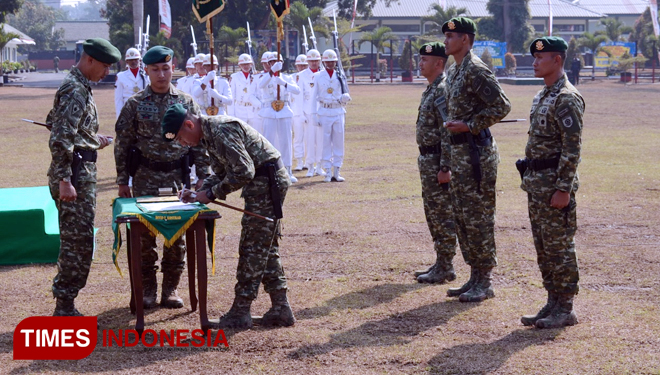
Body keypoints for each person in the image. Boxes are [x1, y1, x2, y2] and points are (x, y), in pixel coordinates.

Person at [161, 103, 295, 329]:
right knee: (265, 247)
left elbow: (244, 170)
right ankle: (280, 307)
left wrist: (212, 193)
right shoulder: (208, 135)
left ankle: (241, 311)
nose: (183, 144)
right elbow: (223, 172)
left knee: (252, 247)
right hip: (261, 182)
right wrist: (198, 193)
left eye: (181, 138)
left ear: (189, 124)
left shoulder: (221, 130)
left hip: (266, 183)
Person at [114, 46, 210, 309]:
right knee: (145, 237)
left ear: (173, 67)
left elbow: (200, 143)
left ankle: (170, 289)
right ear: (146, 71)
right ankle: (147, 290)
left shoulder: (186, 101)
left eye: (165, 68)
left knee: (176, 236)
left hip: (178, 176)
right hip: (145, 176)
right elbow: (123, 144)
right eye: (155, 69)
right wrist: (123, 180)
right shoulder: (135, 104)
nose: (161, 74)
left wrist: (203, 176)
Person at [437, 17, 511, 302]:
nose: (445, 41)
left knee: (478, 217)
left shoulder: (476, 69)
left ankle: (485, 280)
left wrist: (470, 125)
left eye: (450, 37)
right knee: (464, 217)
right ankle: (474, 276)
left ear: (465, 39)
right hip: (459, 154)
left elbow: (502, 105)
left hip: (476, 154)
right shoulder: (456, 69)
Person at [47, 38, 120, 316]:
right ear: (89, 60)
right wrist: (65, 179)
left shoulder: (80, 87)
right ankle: (64, 305)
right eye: (104, 66)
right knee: (76, 243)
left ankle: (66, 303)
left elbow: (58, 123)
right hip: (74, 176)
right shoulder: (74, 90)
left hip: (80, 173)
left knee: (80, 240)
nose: (106, 72)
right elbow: (60, 137)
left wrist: (91, 138)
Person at [520, 37, 584, 328]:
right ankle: (552, 300)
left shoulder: (567, 97)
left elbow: (572, 148)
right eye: (534, 58)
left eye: (540, 58)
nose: (534, 62)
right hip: (537, 184)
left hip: (554, 187)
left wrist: (563, 189)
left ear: (556, 60)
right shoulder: (543, 94)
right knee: (544, 247)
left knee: (559, 247)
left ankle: (566, 307)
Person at [413, 42, 458, 284]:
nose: (420, 64)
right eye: (420, 59)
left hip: (437, 161)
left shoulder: (442, 90)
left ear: (439, 63)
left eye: (424, 60)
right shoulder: (431, 89)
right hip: (428, 159)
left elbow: (448, 132)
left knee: (442, 214)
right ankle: (441, 262)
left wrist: (445, 167)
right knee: (433, 213)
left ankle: (446, 265)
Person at [258, 52, 301, 183]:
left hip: (284, 111)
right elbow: (260, 85)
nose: (275, 64)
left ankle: (288, 169)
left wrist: (284, 84)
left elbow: (297, 90)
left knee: (286, 141)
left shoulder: (287, 78)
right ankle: (269, 170)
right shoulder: (264, 76)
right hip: (269, 112)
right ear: (269, 64)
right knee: (269, 141)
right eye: (271, 62)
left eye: (277, 62)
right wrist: (271, 72)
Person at [314, 49, 351, 182]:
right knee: (325, 142)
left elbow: (346, 92)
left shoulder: (340, 75)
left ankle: (337, 170)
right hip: (324, 110)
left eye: (332, 62)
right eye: (328, 62)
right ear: (323, 62)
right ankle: (327, 171)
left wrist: (345, 97)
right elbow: (314, 97)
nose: (330, 64)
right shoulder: (318, 76)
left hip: (338, 111)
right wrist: (314, 115)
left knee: (338, 141)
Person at [300, 49, 325, 177]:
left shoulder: (323, 74)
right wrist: (301, 114)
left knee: (321, 140)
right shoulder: (302, 75)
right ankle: (310, 166)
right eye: (311, 61)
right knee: (309, 140)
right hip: (308, 112)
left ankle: (320, 166)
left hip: (321, 111)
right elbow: (300, 96)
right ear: (308, 61)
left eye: (316, 60)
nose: (314, 63)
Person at [114, 47, 149, 118]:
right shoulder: (121, 77)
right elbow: (119, 99)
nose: (133, 62)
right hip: (127, 112)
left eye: (136, 59)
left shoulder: (146, 75)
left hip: (143, 112)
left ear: (140, 60)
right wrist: (119, 118)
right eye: (130, 60)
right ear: (127, 62)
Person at [229, 53, 261, 129]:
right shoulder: (234, 77)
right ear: (239, 65)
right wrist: (231, 115)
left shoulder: (257, 76)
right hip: (240, 109)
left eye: (247, 64)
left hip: (253, 110)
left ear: (251, 65)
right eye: (243, 64)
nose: (245, 66)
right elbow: (232, 96)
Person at [291, 54, 308, 171]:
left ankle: (309, 161)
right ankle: (299, 161)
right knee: (298, 138)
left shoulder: (311, 77)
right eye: (299, 65)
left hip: (308, 112)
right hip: (295, 112)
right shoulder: (291, 78)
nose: (301, 67)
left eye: (304, 65)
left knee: (309, 138)